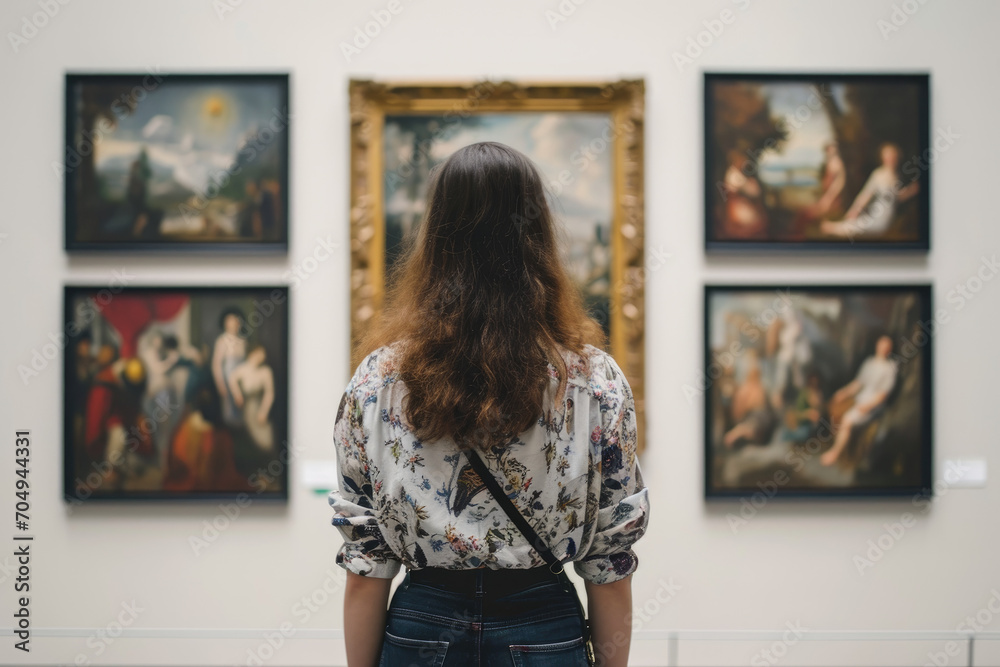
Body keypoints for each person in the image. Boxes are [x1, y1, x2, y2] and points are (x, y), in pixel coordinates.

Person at [328, 142, 650, 667]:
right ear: (537, 235)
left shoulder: (378, 381)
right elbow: (610, 564)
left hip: (420, 629)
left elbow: (367, 566)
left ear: (435, 237)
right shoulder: (595, 381)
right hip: (544, 628)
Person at [821, 336, 898, 466]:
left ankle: (835, 453)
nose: (883, 348)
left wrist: (867, 405)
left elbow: (883, 395)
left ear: (889, 349)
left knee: (847, 419)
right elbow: (858, 383)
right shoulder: (869, 362)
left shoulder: (890, 368)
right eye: (881, 344)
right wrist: (843, 393)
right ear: (877, 345)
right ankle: (836, 444)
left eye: (887, 346)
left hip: (873, 406)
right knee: (834, 408)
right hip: (859, 399)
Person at [820, 143, 919, 239]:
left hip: (885, 219)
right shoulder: (878, 174)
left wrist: (911, 190)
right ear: (882, 157)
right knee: (856, 225)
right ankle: (830, 228)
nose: (891, 158)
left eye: (893, 155)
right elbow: (865, 195)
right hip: (876, 215)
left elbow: (897, 198)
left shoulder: (897, 176)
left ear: (897, 157)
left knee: (858, 226)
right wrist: (854, 211)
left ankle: (831, 227)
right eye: (888, 155)